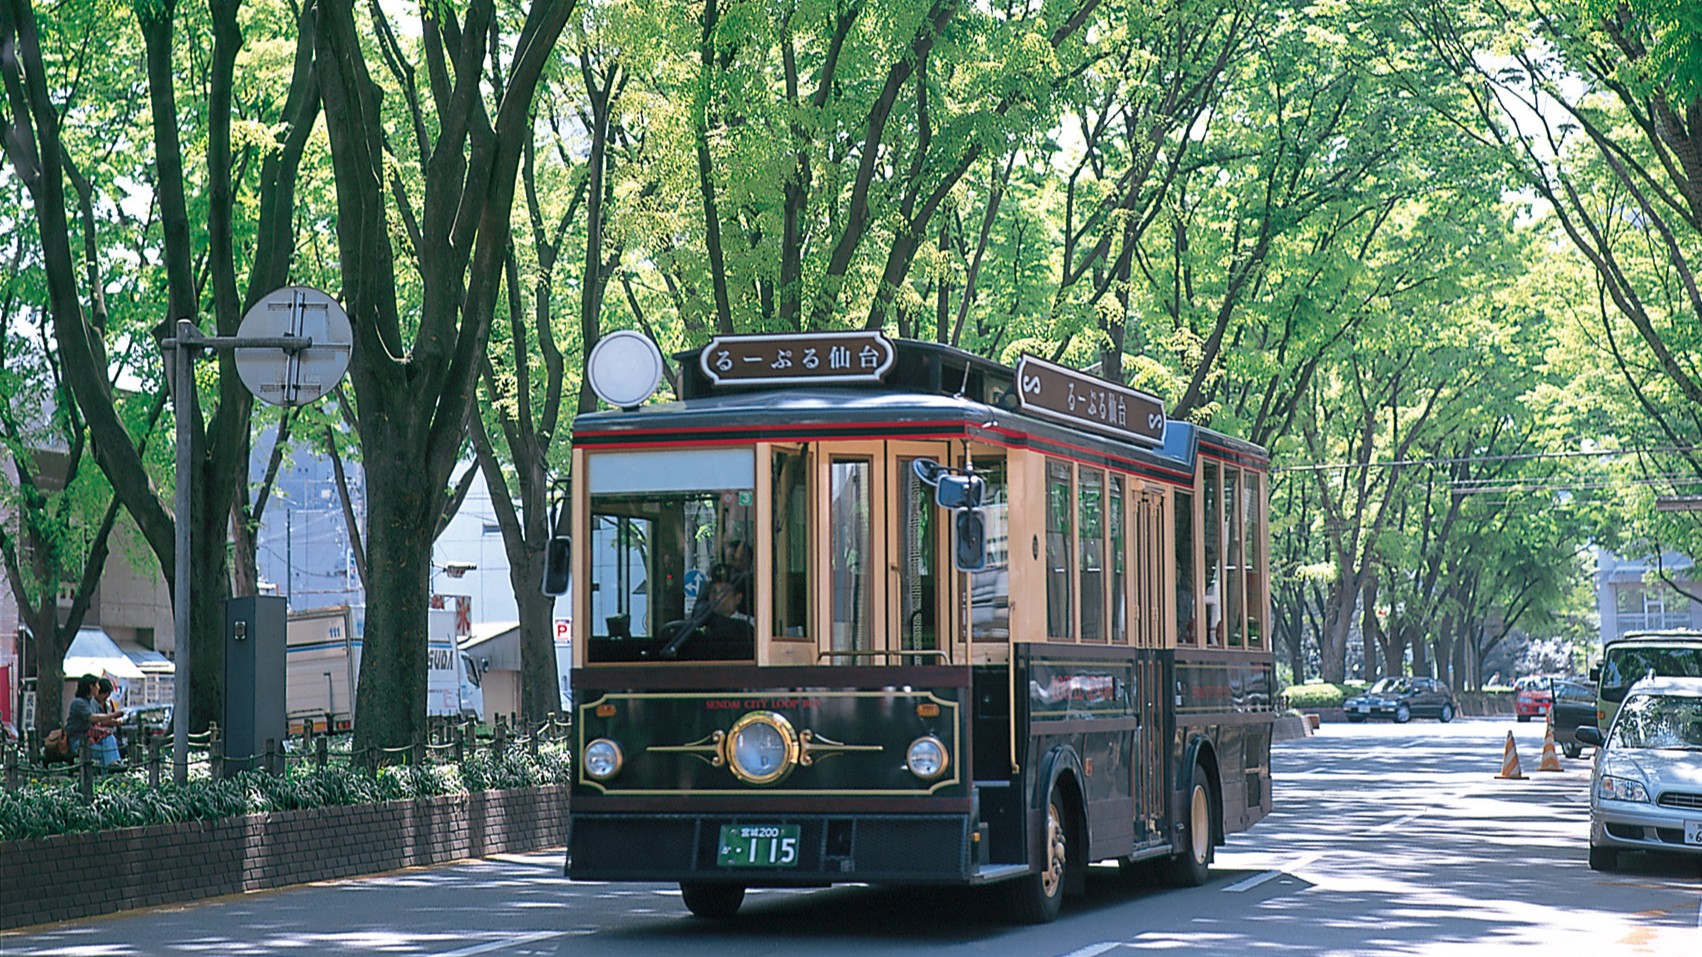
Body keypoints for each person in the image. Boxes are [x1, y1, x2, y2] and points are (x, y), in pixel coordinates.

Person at [65, 674, 124, 768]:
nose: (98, 688)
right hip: (78, 742)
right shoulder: (78, 703)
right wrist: (113, 715)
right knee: (105, 753)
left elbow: (98, 722)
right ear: (91, 686)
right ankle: (112, 768)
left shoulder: (92, 702)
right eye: (97, 685)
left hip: (92, 738)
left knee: (109, 738)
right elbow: (92, 718)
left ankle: (113, 765)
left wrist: (112, 722)